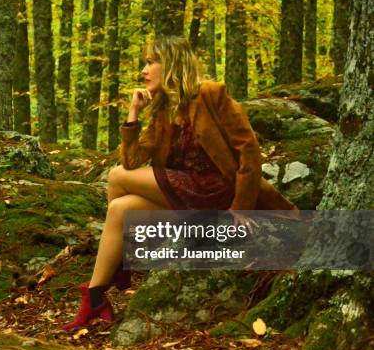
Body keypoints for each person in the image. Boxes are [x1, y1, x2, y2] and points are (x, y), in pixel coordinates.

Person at [62, 35, 298, 331]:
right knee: (119, 210)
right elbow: (132, 160)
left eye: (150, 62)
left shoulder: (212, 94)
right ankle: (96, 297)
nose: (143, 70)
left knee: (115, 177)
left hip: (217, 191)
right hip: (189, 196)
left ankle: (125, 259)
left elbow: (249, 152)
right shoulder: (163, 111)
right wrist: (133, 112)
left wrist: (242, 208)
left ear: (171, 63)